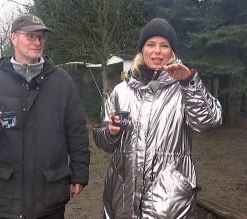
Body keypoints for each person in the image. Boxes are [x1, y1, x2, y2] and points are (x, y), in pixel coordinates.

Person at [93, 18, 222, 218]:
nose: (157, 51)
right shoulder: (121, 92)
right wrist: (110, 132)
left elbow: (208, 122)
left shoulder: (184, 87)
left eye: (164, 45)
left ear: (172, 52)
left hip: (169, 202)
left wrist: (189, 82)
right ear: (141, 51)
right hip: (122, 197)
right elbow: (102, 140)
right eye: (151, 44)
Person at [0, 14, 90, 219]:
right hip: (6, 197)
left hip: (50, 196)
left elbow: (76, 131)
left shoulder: (62, 82)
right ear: (13, 38)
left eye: (41, 37)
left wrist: (79, 174)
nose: (38, 42)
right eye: (31, 36)